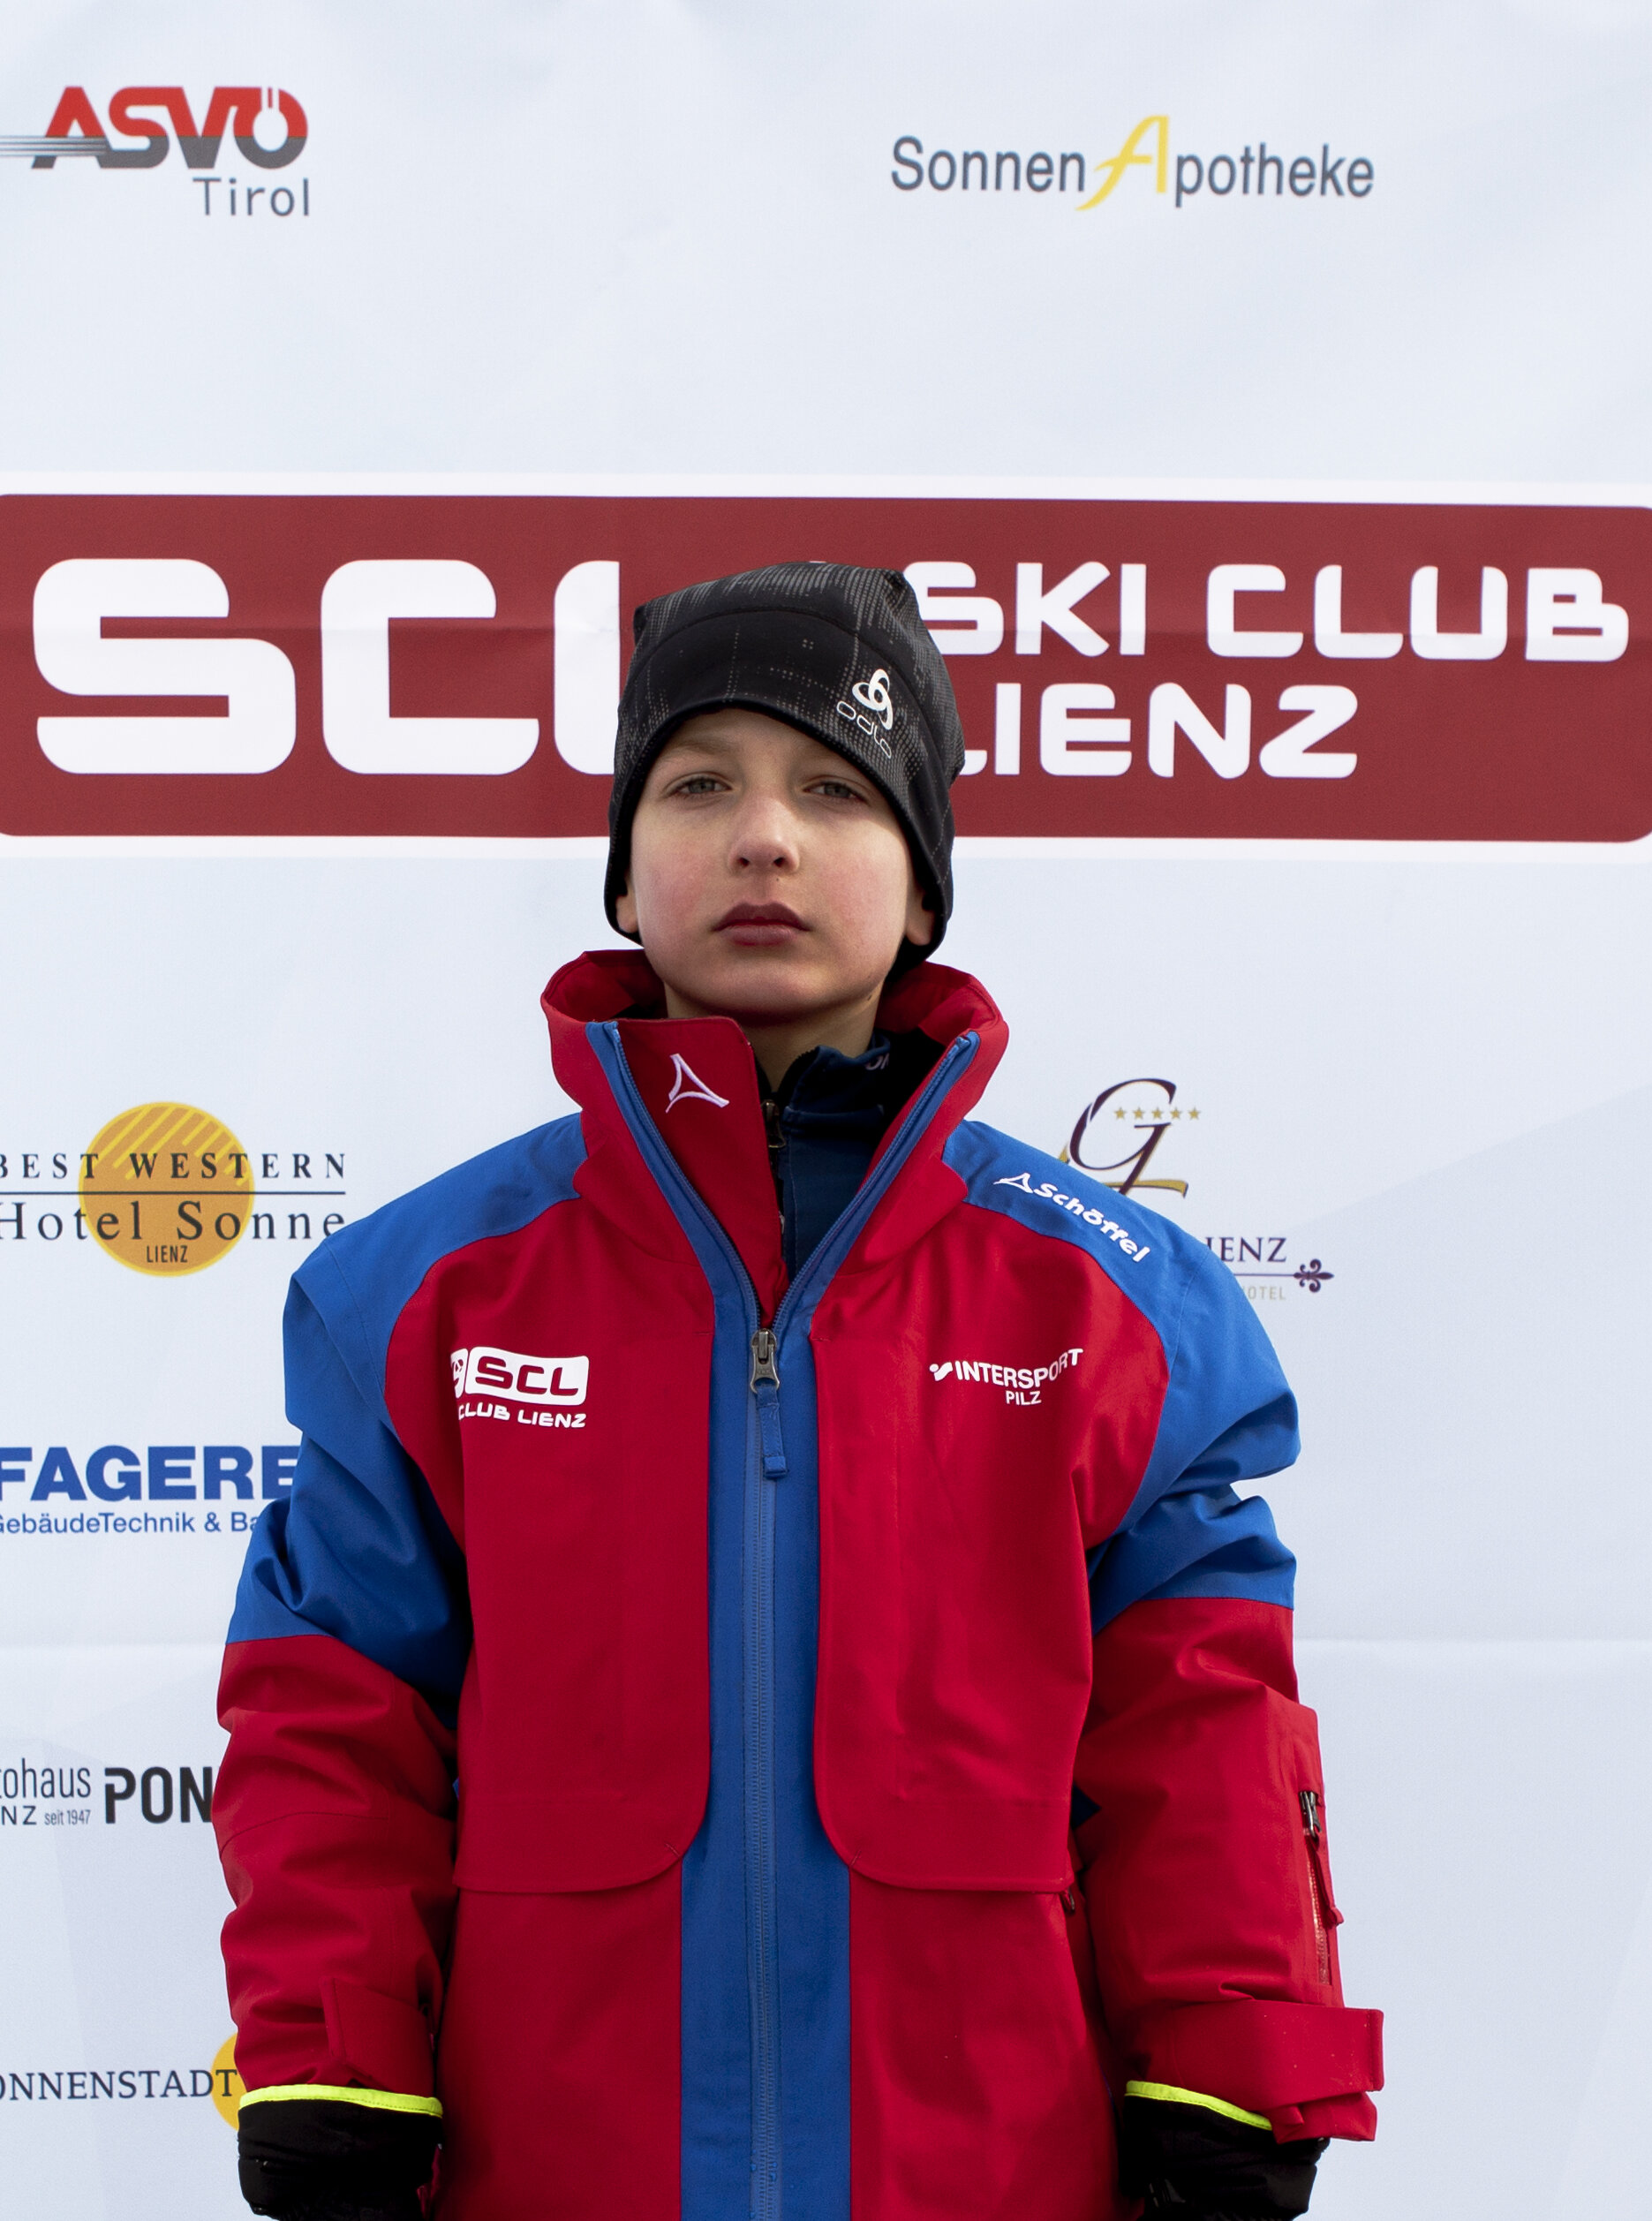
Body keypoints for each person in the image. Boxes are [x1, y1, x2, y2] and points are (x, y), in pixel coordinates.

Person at [214, 563, 1382, 2221]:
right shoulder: (425, 1292)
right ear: (626, 878)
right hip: (559, 2167)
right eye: (700, 786)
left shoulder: (1116, 1305)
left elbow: (1202, 1727)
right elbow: (336, 1719)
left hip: (989, 2170)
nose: (764, 836)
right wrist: (333, 2062)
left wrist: (1234, 2064)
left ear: (923, 890)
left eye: (835, 790)